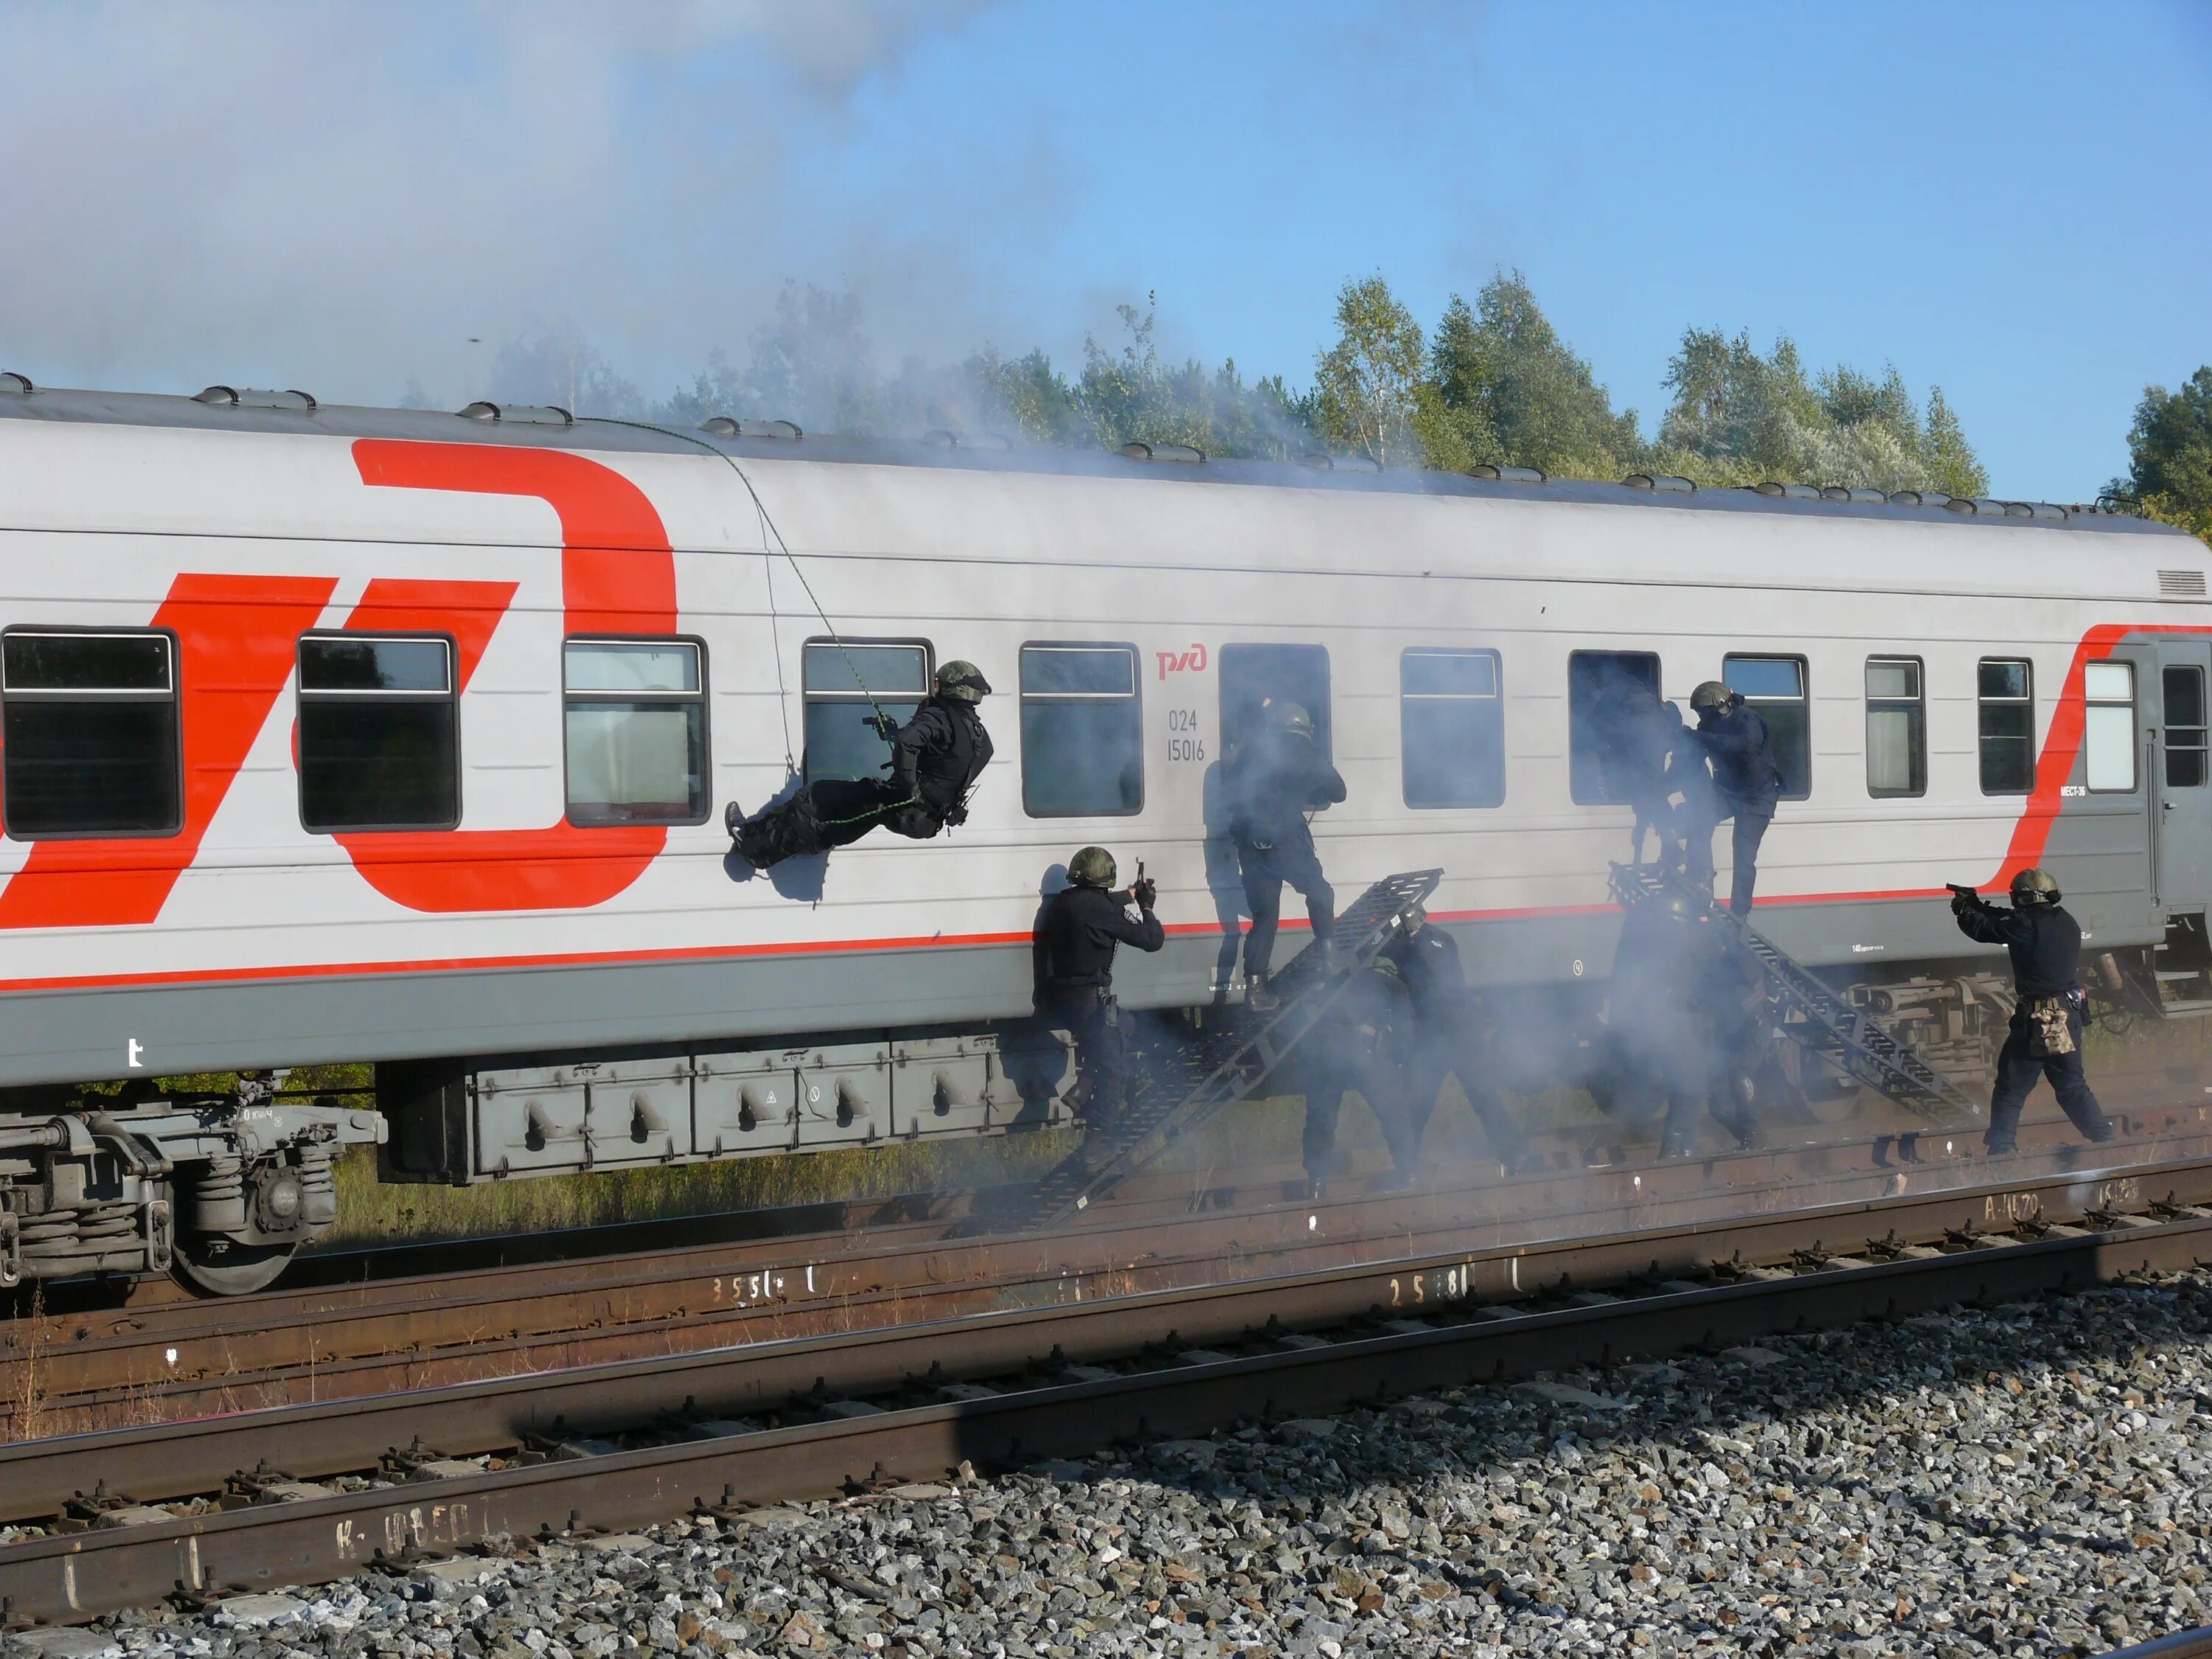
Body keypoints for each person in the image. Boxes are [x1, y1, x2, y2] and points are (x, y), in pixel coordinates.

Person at [728, 661, 994, 867]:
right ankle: (811, 841)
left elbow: (908, 743)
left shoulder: (939, 716)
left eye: (938, 685)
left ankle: (752, 845)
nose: (934, 689)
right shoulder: (979, 738)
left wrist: (907, 786)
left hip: (906, 806)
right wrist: (894, 734)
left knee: (814, 798)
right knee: (852, 815)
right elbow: (943, 763)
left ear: (951, 688)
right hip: (927, 820)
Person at [1952, 869, 2116, 1156]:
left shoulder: (2023, 924)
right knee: (2072, 1087)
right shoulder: (2066, 921)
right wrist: (1978, 904)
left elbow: (1984, 930)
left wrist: (1964, 910)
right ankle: (2105, 1140)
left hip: (2037, 1020)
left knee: (2010, 1088)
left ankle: (2001, 1149)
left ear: (2023, 898)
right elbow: (2007, 918)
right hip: (2069, 1015)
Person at [1380, 904, 1529, 1172]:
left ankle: (1513, 1154)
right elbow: (1386, 956)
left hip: (1457, 1032)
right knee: (1418, 1102)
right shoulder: (1404, 945)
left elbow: (1433, 967)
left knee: (1482, 1095)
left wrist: (1404, 942)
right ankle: (1407, 1166)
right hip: (1431, 1034)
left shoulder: (1436, 941)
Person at [1224, 700, 1346, 1011]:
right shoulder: (1304, 753)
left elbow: (1232, 795)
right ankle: (1329, 957)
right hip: (1287, 843)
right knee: (1319, 892)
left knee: (1264, 918)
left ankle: (1255, 988)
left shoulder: (1249, 753)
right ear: (1303, 730)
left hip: (1252, 848)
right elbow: (1339, 792)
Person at [1033, 846, 1164, 1134]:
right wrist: (1147, 906)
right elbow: (1153, 940)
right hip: (1089, 1005)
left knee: (1125, 1025)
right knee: (1114, 1071)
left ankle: (1083, 1087)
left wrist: (1130, 894)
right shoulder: (1101, 910)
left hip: (1062, 1001)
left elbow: (1096, 905)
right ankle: (1100, 1143)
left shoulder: (1061, 903)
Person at [1298, 955, 1414, 1197]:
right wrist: (1401, 1058)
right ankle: (1409, 1173)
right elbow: (1404, 1025)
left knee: (1321, 1118)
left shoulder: (1333, 980)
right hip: (1367, 1052)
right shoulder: (1391, 984)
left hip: (1328, 1053)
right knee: (1394, 1114)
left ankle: (1317, 1183)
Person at [1686, 680, 1782, 914]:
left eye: (1703, 712)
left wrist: (1701, 738)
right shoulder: (1708, 727)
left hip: (1757, 798)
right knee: (1697, 823)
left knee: (1743, 860)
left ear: (1719, 707)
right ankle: (1703, 879)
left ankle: (1738, 916)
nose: (1701, 717)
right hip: (1728, 793)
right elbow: (1690, 763)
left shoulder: (1747, 720)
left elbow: (1746, 745)